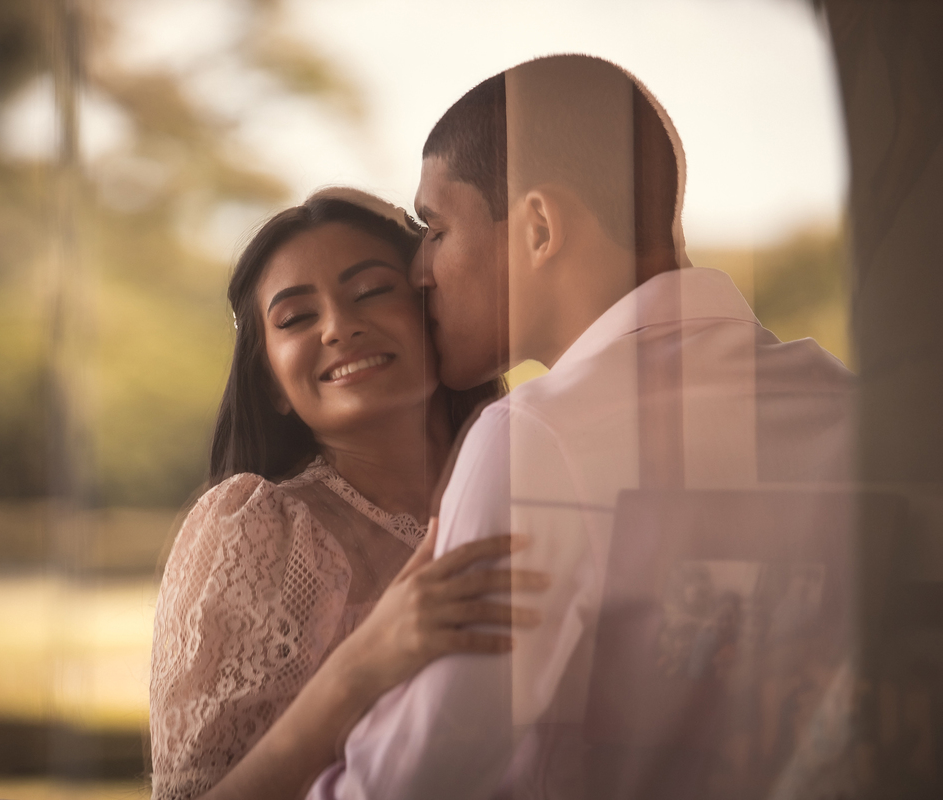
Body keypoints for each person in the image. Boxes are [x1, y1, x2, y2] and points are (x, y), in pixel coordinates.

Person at [309, 55, 855, 799]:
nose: (420, 272)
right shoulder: (855, 408)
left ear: (538, 226)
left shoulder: (532, 439)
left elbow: (410, 783)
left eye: (435, 229)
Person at [149, 189, 548, 800]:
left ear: (431, 309)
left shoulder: (541, 481)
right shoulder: (259, 530)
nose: (340, 327)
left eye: (370, 292)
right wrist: (362, 666)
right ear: (274, 384)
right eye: (297, 318)